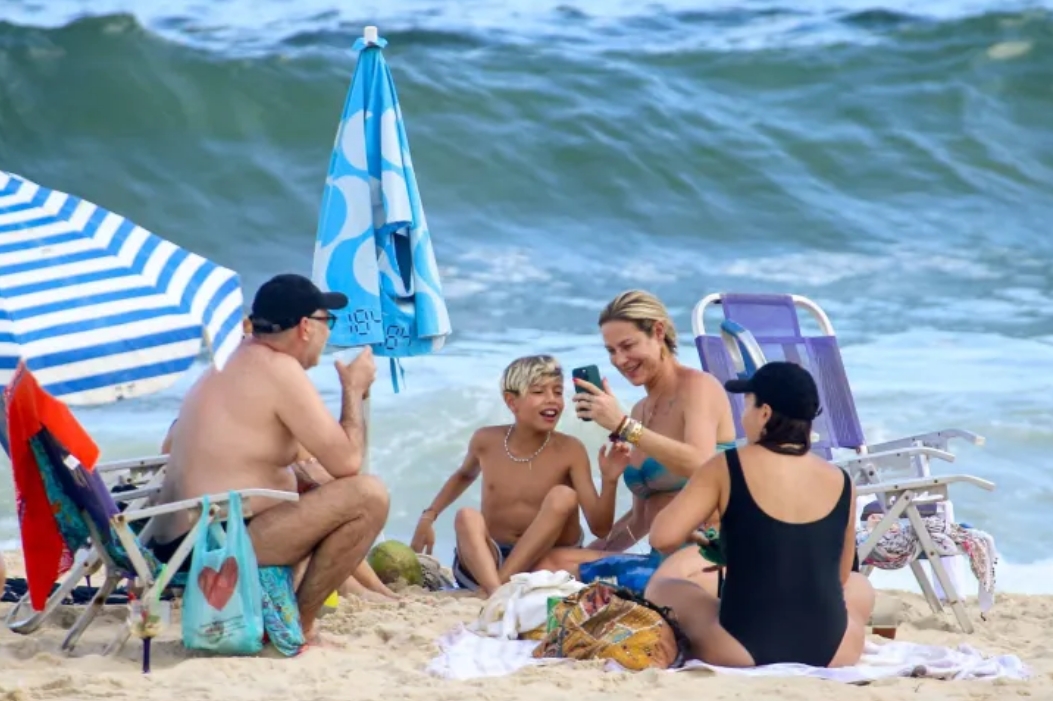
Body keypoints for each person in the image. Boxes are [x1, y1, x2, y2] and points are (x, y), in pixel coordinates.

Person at [149, 273, 390, 639]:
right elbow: (348, 463)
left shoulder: (230, 359)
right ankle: (301, 626)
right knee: (370, 496)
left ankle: (297, 610)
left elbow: (179, 444)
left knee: (314, 483)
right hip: (215, 545)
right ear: (306, 327)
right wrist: (353, 390)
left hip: (172, 537)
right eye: (329, 322)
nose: (330, 334)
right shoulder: (279, 370)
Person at [641, 361, 875, 667]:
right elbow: (839, 576)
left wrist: (716, 542)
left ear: (764, 413)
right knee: (859, 585)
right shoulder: (843, 481)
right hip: (834, 653)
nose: (743, 417)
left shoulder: (727, 465)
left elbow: (663, 537)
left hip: (740, 649)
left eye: (747, 406)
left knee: (663, 585)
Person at [534, 290, 736, 577]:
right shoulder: (640, 410)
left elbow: (702, 463)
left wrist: (622, 426)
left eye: (627, 346)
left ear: (657, 331)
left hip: (703, 559)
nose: (620, 359)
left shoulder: (699, 387)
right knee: (549, 564)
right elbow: (641, 519)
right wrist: (594, 555)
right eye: (611, 351)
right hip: (658, 561)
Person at [409, 354, 626, 596]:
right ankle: (496, 589)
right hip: (489, 562)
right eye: (539, 392)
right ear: (511, 402)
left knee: (563, 495)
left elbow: (600, 528)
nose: (552, 400)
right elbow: (463, 475)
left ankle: (495, 591)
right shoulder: (486, 440)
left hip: (545, 561)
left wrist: (610, 480)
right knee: (466, 516)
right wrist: (428, 517)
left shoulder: (570, 450)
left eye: (557, 391)